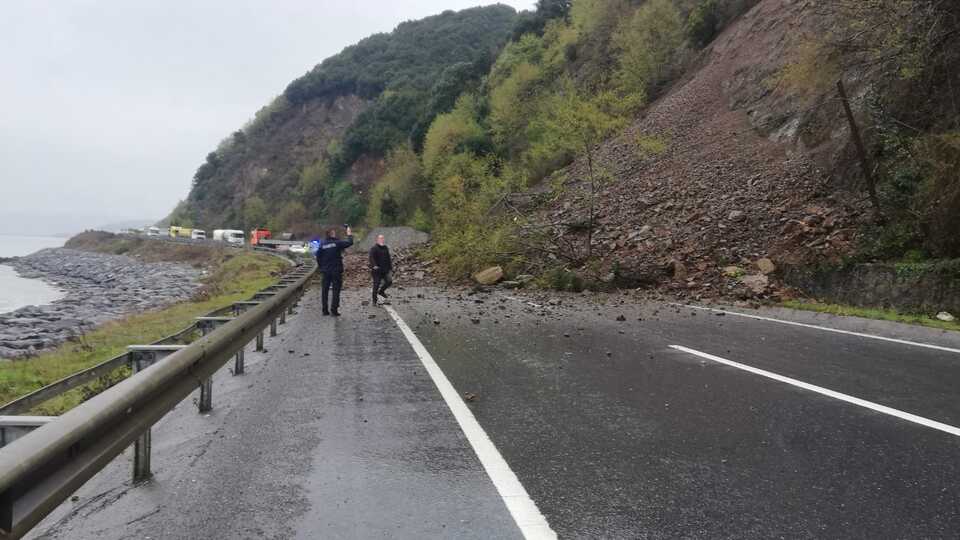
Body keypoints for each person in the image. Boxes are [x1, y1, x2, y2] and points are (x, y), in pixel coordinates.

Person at [316, 226, 353, 316]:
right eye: (334, 232)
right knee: (336, 290)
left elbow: (318, 257)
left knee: (324, 290)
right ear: (332, 234)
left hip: (325, 271)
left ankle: (325, 310)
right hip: (336, 270)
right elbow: (349, 242)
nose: (335, 233)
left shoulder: (322, 244)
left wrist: (321, 267)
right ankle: (334, 310)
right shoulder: (337, 243)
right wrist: (349, 234)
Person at [368, 234, 393, 306]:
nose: (381, 239)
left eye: (382, 238)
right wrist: (374, 265)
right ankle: (374, 301)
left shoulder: (385, 248)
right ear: (377, 240)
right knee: (376, 285)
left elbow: (388, 258)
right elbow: (371, 257)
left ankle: (381, 291)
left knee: (389, 281)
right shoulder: (374, 248)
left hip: (385, 270)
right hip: (377, 271)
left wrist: (390, 268)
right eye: (380, 238)